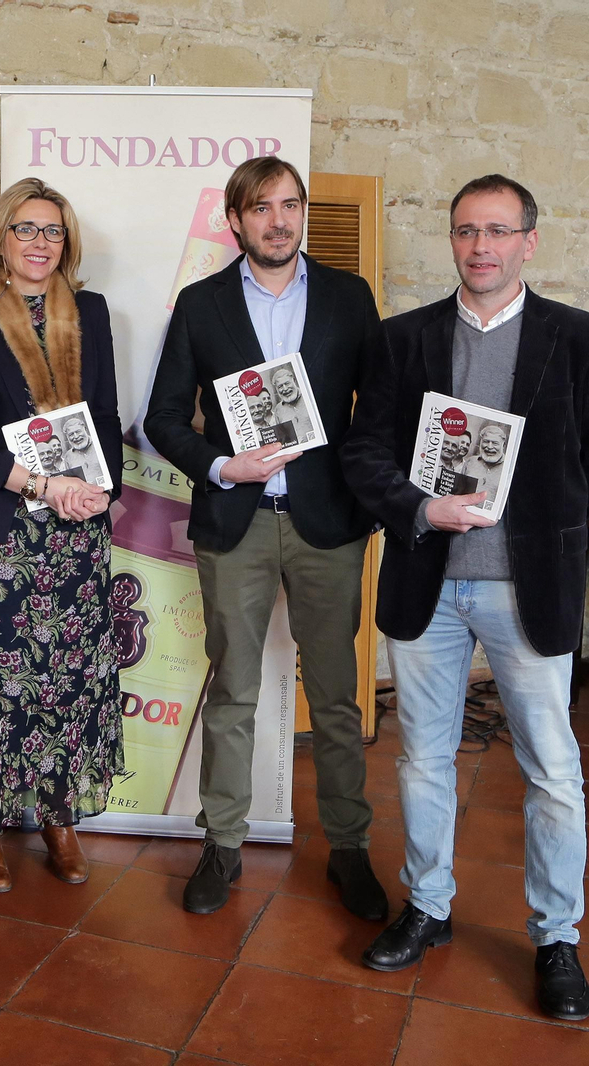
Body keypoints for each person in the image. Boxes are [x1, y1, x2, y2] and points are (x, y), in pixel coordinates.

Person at [341, 174, 589, 1021]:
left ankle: (556, 937)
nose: (481, 247)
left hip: (526, 585)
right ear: (453, 239)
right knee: (422, 758)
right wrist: (419, 506)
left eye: (499, 231)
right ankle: (427, 908)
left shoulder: (581, 339)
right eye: (467, 230)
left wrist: (541, 514)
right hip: (427, 579)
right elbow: (365, 454)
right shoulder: (404, 340)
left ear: (528, 243)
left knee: (552, 772)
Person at [144, 155, 387, 920]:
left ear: (301, 211)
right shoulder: (201, 304)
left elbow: (378, 412)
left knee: (338, 699)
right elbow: (160, 418)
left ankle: (348, 847)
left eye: (290, 206)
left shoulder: (349, 298)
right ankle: (222, 844)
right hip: (236, 524)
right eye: (261, 209)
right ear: (236, 221)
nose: (278, 221)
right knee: (235, 691)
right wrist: (220, 463)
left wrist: (367, 493)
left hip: (328, 529)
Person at [0, 177, 124, 892]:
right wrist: (40, 484)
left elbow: (104, 414)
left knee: (66, 681)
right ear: (0, 239)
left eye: (53, 231)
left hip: (74, 531)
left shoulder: (90, 312)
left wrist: (101, 494)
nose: (41, 243)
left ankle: (57, 817)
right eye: (27, 229)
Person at [461, 422, 510, 503]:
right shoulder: (470, 462)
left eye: (495, 443)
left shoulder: (509, 468)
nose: (489, 447)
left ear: (503, 445)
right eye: (486, 441)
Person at [271, 365, 315, 442]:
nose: (285, 389)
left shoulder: (309, 396)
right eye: (280, 386)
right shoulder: (278, 410)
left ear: (294, 381)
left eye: (287, 383)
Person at [60, 413, 105, 485]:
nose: (76, 436)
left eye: (78, 431)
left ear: (85, 429)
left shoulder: (100, 443)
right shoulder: (68, 456)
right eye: (71, 434)